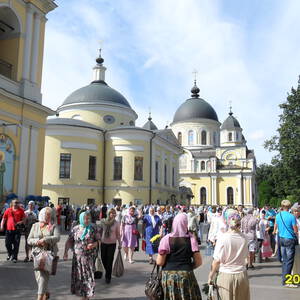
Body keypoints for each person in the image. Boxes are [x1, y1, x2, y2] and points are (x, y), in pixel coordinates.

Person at [156, 213, 202, 300]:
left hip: (169, 276)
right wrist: (188, 267)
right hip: (186, 276)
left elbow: (160, 262)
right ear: (186, 224)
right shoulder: (191, 239)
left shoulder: (166, 239)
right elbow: (199, 262)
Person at [208, 213, 250, 300]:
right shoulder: (245, 238)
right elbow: (247, 259)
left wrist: (210, 276)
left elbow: (216, 261)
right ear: (239, 223)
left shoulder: (223, 238)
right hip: (241, 275)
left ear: (227, 222)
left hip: (226, 275)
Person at [64, 211, 101, 299]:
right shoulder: (75, 229)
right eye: (85, 218)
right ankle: (82, 295)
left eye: (88, 218)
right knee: (79, 277)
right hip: (77, 258)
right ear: (81, 219)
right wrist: (65, 252)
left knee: (87, 277)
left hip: (88, 257)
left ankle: (86, 296)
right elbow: (69, 241)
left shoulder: (93, 228)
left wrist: (94, 244)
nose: (87, 220)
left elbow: (99, 240)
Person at [28, 207, 60, 300]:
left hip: (48, 254)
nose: (48, 218)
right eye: (46, 215)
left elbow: (57, 238)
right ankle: (46, 291)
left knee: (42, 276)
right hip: (36, 254)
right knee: (38, 276)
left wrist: (46, 239)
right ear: (42, 215)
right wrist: (37, 241)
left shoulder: (53, 226)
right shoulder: (35, 225)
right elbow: (29, 240)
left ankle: (40, 297)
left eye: (50, 216)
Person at [274, 200, 298, 287]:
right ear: (289, 207)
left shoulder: (278, 215)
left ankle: (284, 279)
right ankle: (287, 281)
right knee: (289, 261)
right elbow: (295, 230)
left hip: (281, 238)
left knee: (284, 260)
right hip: (289, 239)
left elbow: (276, 226)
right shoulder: (291, 216)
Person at [99, 208, 121, 284]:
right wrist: (97, 240)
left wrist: (120, 243)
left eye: (114, 213)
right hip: (103, 243)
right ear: (108, 213)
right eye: (111, 213)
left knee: (109, 260)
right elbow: (100, 231)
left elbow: (118, 234)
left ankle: (108, 276)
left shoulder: (116, 223)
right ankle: (108, 270)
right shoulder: (102, 221)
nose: (113, 214)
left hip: (112, 244)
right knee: (103, 259)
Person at [0, 198, 25, 262]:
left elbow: (24, 219)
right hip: (9, 230)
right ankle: (10, 254)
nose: (16, 204)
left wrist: (20, 222)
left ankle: (14, 257)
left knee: (16, 244)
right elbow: (4, 219)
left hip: (17, 230)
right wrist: (2, 226)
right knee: (7, 243)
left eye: (17, 202)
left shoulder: (21, 210)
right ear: (12, 203)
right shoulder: (8, 210)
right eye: (15, 202)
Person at [291, 205, 300, 276]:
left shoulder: (299, 219)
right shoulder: (292, 219)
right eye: (295, 211)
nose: (297, 213)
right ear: (292, 212)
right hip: (295, 240)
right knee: (295, 257)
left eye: (298, 211)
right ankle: (295, 273)